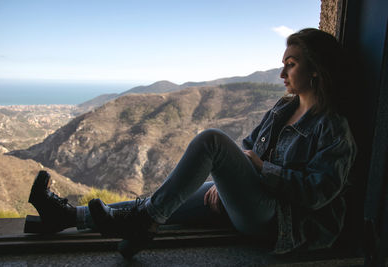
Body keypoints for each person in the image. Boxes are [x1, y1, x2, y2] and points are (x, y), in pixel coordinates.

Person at [25, 28, 357, 258]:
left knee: (210, 141)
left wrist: (258, 168)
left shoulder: (333, 128)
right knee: (158, 200)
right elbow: (250, 146)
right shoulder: (285, 108)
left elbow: (317, 193)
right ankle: (67, 217)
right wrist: (230, 184)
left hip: (281, 223)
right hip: (255, 199)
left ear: (316, 70)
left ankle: (145, 224)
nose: (282, 74)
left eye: (291, 64)